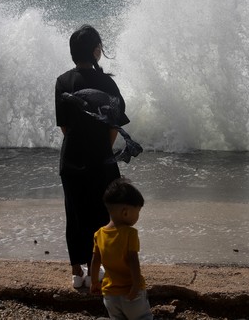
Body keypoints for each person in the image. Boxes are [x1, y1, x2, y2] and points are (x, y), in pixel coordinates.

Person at [55, 25, 129, 288]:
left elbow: (65, 128)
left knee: (74, 212)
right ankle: (98, 268)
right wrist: (102, 149)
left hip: (72, 157)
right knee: (103, 214)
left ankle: (77, 272)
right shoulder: (108, 83)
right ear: (95, 50)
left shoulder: (63, 82)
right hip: (101, 159)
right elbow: (114, 127)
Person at [90, 178, 153, 320]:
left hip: (110, 295)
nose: (138, 216)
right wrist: (136, 285)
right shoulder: (130, 233)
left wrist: (94, 282)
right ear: (125, 212)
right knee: (143, 317)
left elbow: (95, 261)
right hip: (130, 292)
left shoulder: (99, 234)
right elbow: (133, 261)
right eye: (137, 212)